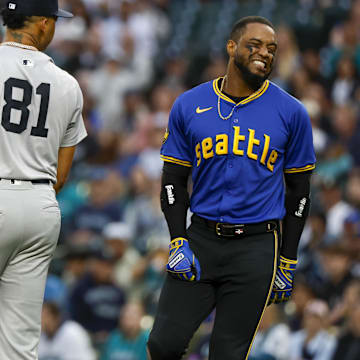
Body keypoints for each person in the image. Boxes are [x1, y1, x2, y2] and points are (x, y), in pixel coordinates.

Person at [147, 16, 316, 360]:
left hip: (256, 248)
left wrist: (288, 259)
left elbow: (299, 194)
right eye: (254, 45)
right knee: (163, 344)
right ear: (231, 46)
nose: (265, 53)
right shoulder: (189, 104)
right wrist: (178, 238)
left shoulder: (292, 112)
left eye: (272, 49)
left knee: (227, 354)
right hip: (201, 240)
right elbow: (173, 182)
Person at [0, 1, 87, 359]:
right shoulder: (68, 84)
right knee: (20, 343)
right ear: (41, 23)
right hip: (39, 205)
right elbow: (61, 176)